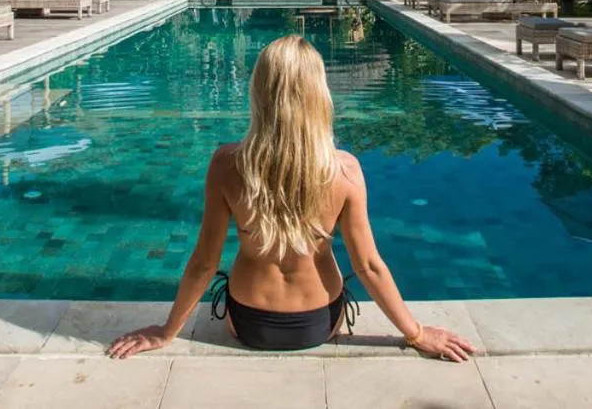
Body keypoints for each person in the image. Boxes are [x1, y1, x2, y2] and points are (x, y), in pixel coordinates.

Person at [108, 35, 476, 361]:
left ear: (259, 90)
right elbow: (368, 266)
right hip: (319, 321)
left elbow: (205, 262)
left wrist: (167, 331)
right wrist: (415, 333)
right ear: (319, 94)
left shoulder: (227, 164)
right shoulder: (345, 171)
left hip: (249, 322)